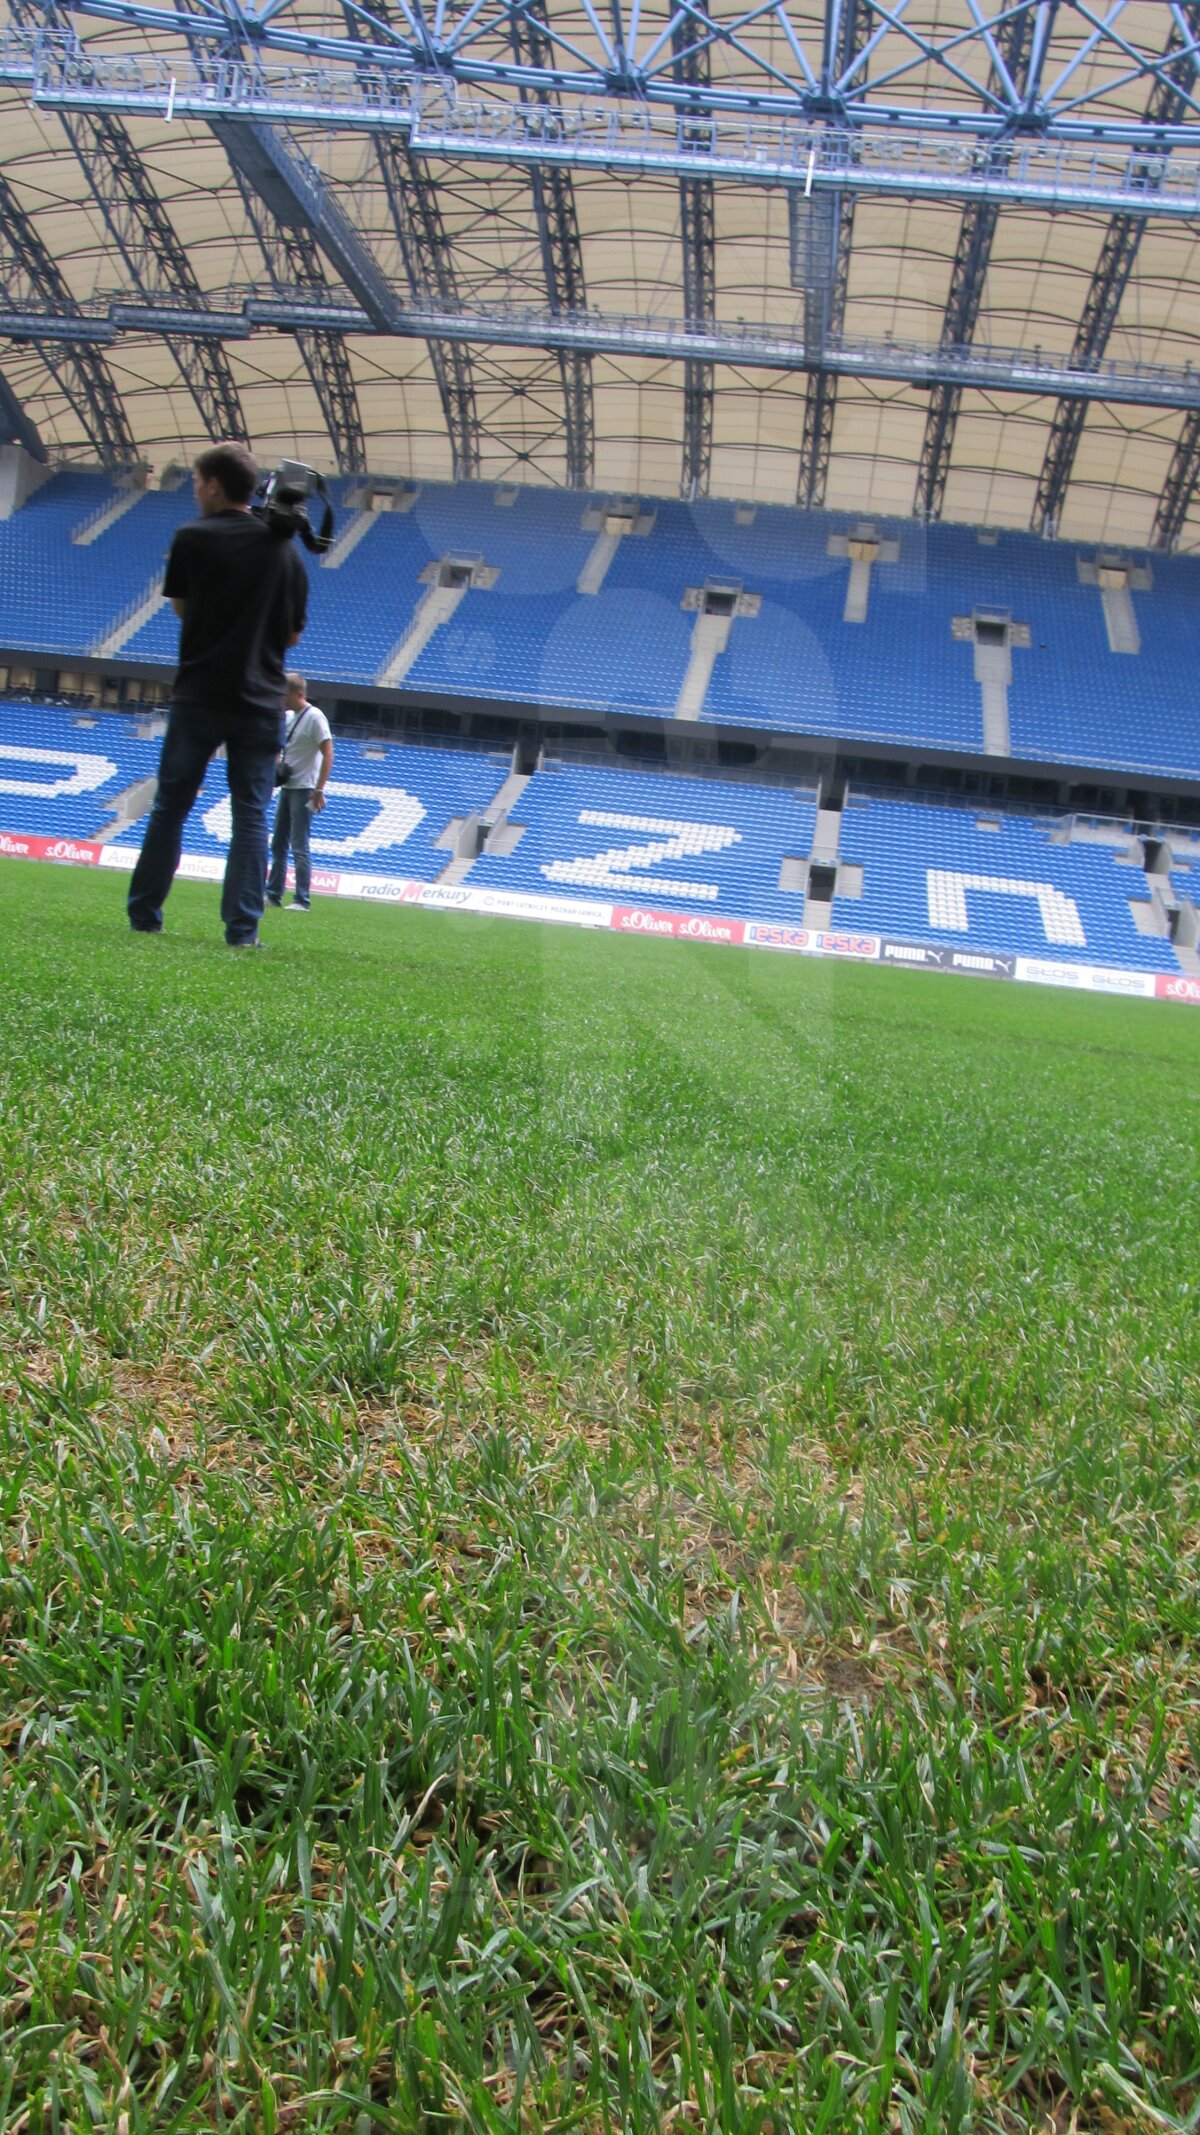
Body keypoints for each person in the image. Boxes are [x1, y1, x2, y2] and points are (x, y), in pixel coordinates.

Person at [127, 441, 308, 948]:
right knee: (250, 815)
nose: (194, 492)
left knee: (171, 807)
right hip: (259, 704)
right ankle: (242, 930)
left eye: (195, 484)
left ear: (212, 484)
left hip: (199, 695)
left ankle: (145, 914)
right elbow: (292, 636)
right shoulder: (285, 549)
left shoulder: (192, 537)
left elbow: (182, 609)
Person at [266, 673, 333, 911]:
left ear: (298, 693)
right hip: (287, 787)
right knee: (278, 844)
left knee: (299, 845)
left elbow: (328, 753)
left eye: (284, 693)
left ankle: (301, 899)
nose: (281, 698)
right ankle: (273, 893)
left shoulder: (315, 717)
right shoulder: (286, 717)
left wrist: (319, 789)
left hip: (304, 789)